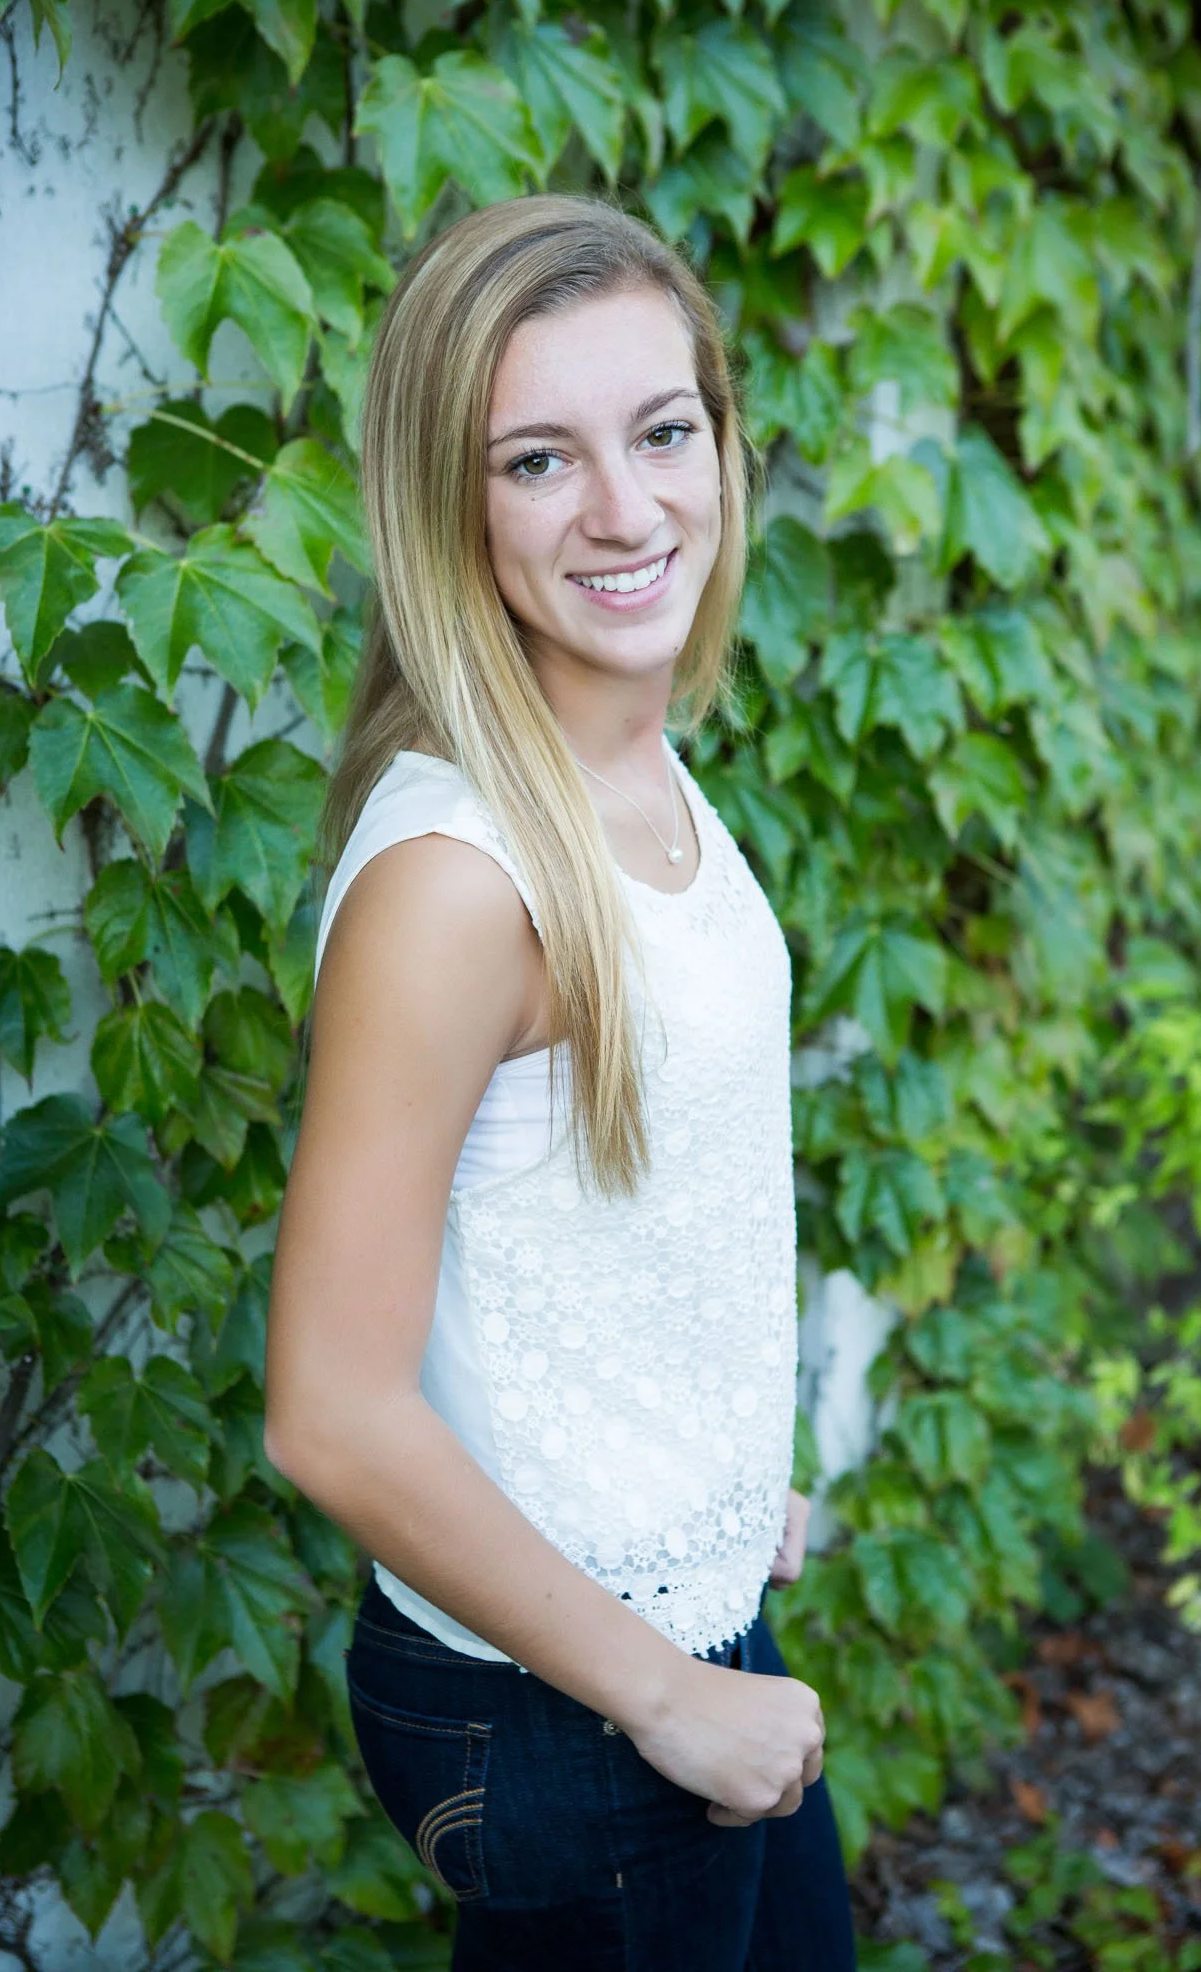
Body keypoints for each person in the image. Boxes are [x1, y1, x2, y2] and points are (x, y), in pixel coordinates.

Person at [265, 192, 856, 1972]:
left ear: (720, 444)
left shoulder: (646, 766)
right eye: (539, 459)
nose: (625, 509)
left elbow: (622, 1218)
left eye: (662, 432)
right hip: (566, 1708)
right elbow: (331, 1412)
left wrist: (716, 1472)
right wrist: (671, 1699)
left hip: (683, 1625)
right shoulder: (462, 879)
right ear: (453, 504)